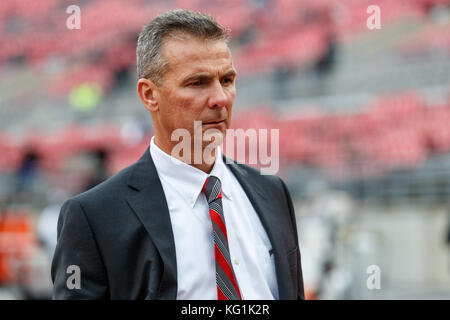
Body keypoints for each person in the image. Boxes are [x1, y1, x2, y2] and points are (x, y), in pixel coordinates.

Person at [51, 9, 304, 300]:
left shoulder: (273, 192)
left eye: (227, 80)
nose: (220, 98)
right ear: (149, 95)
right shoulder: (94, 217)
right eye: (197, 83)